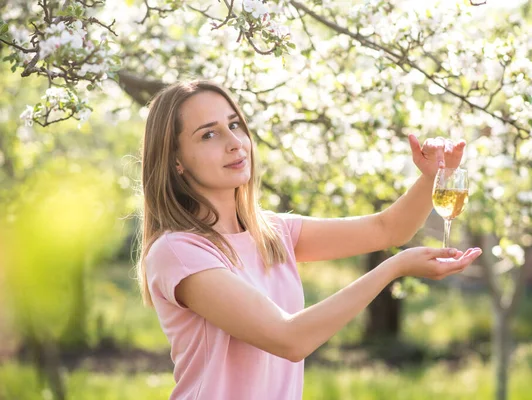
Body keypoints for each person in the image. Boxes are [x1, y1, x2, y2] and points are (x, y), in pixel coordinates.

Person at [137, 79, 482, 400]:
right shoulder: (178, 252)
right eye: (208, 135)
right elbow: (290, 338)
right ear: (176, 160)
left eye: (235, 124)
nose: (234, 143)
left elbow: (388, 230)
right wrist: (394, 268)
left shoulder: (272, 233)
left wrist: (429, 176)